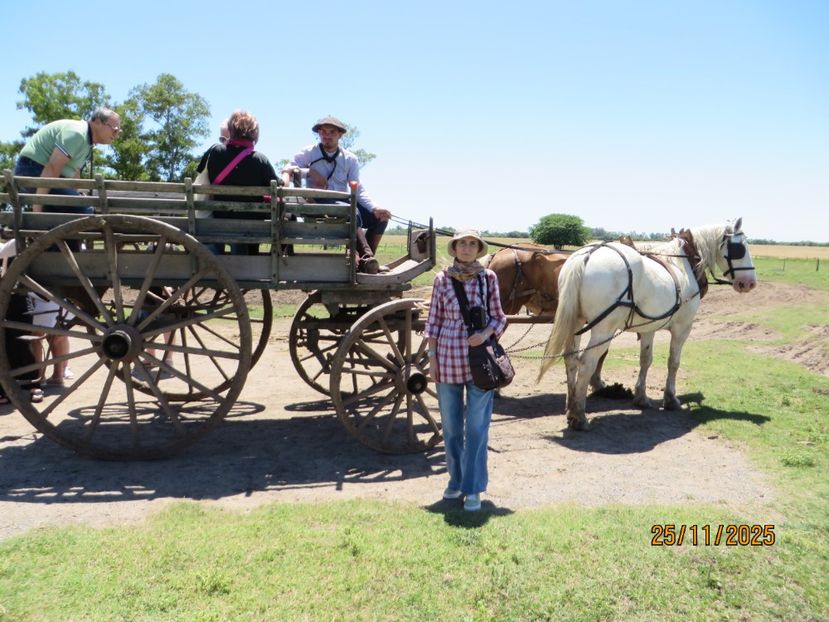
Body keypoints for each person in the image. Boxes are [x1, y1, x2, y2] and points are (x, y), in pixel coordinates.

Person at [424, 230, 507, 511]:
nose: (467, 248)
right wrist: (432, 358)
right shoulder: (441, 279)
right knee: (450, 429)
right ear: (455, 248)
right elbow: (433, 320)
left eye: (473, 244)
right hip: (446, 359)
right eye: (463, 243)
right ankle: (456, 480)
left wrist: (484, 335)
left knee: (476, 428)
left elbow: (499, 318)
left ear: (479, 249)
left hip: (479, 363)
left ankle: (473, 489)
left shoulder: (488, 278)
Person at [281, 116, 391, 274]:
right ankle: (366, 257)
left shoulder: (350, 159)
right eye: (323, 131)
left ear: (340, 135)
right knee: (352, 210)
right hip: (318, 203)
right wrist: (311, 172)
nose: (326, 135)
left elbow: (357, 189)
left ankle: (363, 263)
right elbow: (289, 169)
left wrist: (375, 208)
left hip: (344, 202)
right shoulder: (309, 153)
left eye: (332, 132)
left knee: (380, 218)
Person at [194, 110, 280, 255]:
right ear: (255, 133)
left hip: (219, 218)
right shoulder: (260, 160)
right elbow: (277, 186)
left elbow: (201, 173)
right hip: (251, 226)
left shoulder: (214, 152)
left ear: (231, 129)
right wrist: (287, 174)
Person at [14, 107, 121, 214]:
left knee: (73, 210)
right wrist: (37, 211)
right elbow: (52, 167)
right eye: (114, 129)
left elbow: (75, 172)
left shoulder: (87, 142)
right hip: (32, 170)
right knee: (85, 211)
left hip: (45, 175)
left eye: (119, 131)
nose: (116, 135)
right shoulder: (77, 133)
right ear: (98, 122)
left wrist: (75, 194)